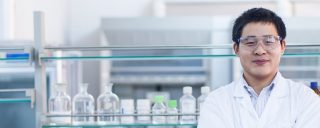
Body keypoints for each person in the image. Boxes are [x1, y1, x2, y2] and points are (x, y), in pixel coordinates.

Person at [197, 7, 320, 128]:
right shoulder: (216, 101)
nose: (260, 51)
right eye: (250, 42)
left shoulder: (306, 99)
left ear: (282, 46)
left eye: (269, 41)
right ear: (236, 49)